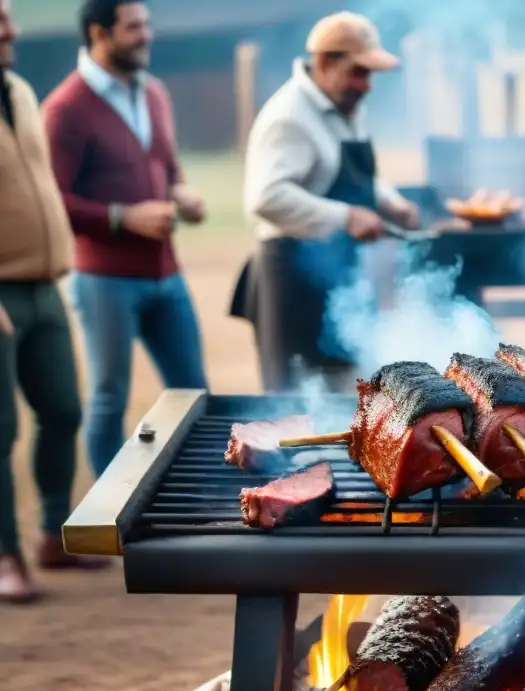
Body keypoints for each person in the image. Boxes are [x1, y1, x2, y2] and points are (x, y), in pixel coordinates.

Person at [42, 0, 208, 477]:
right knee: (108, 398)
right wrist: (123, 217)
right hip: (104, 280)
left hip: (167, 273)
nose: (147, 35)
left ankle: (201, 491)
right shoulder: (64, 110)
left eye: (147, 24)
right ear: (100, 33)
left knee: (195, 392)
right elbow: (55, 202)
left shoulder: (154, 92)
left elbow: (168, 168)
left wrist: (183, 193)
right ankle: (107, 517)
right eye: (134, 27)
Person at [234, 11, 420, 393]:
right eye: (358, 72)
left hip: (340, 272)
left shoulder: (346, 105)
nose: (366, 85)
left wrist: (388, 201)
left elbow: (351, 172)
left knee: (349, 387)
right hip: (292, 277)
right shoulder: (289, 117)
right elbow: (265, 196)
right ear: (323, 63)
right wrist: (345, 216)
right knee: (293, 396)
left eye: (369, 74)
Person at [0, 0, 107, 604]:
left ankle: (50, 532)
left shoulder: (16, 89)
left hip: (45, 285)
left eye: (9, 18)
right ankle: (5, 553)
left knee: (64, 411)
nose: (10, 30)